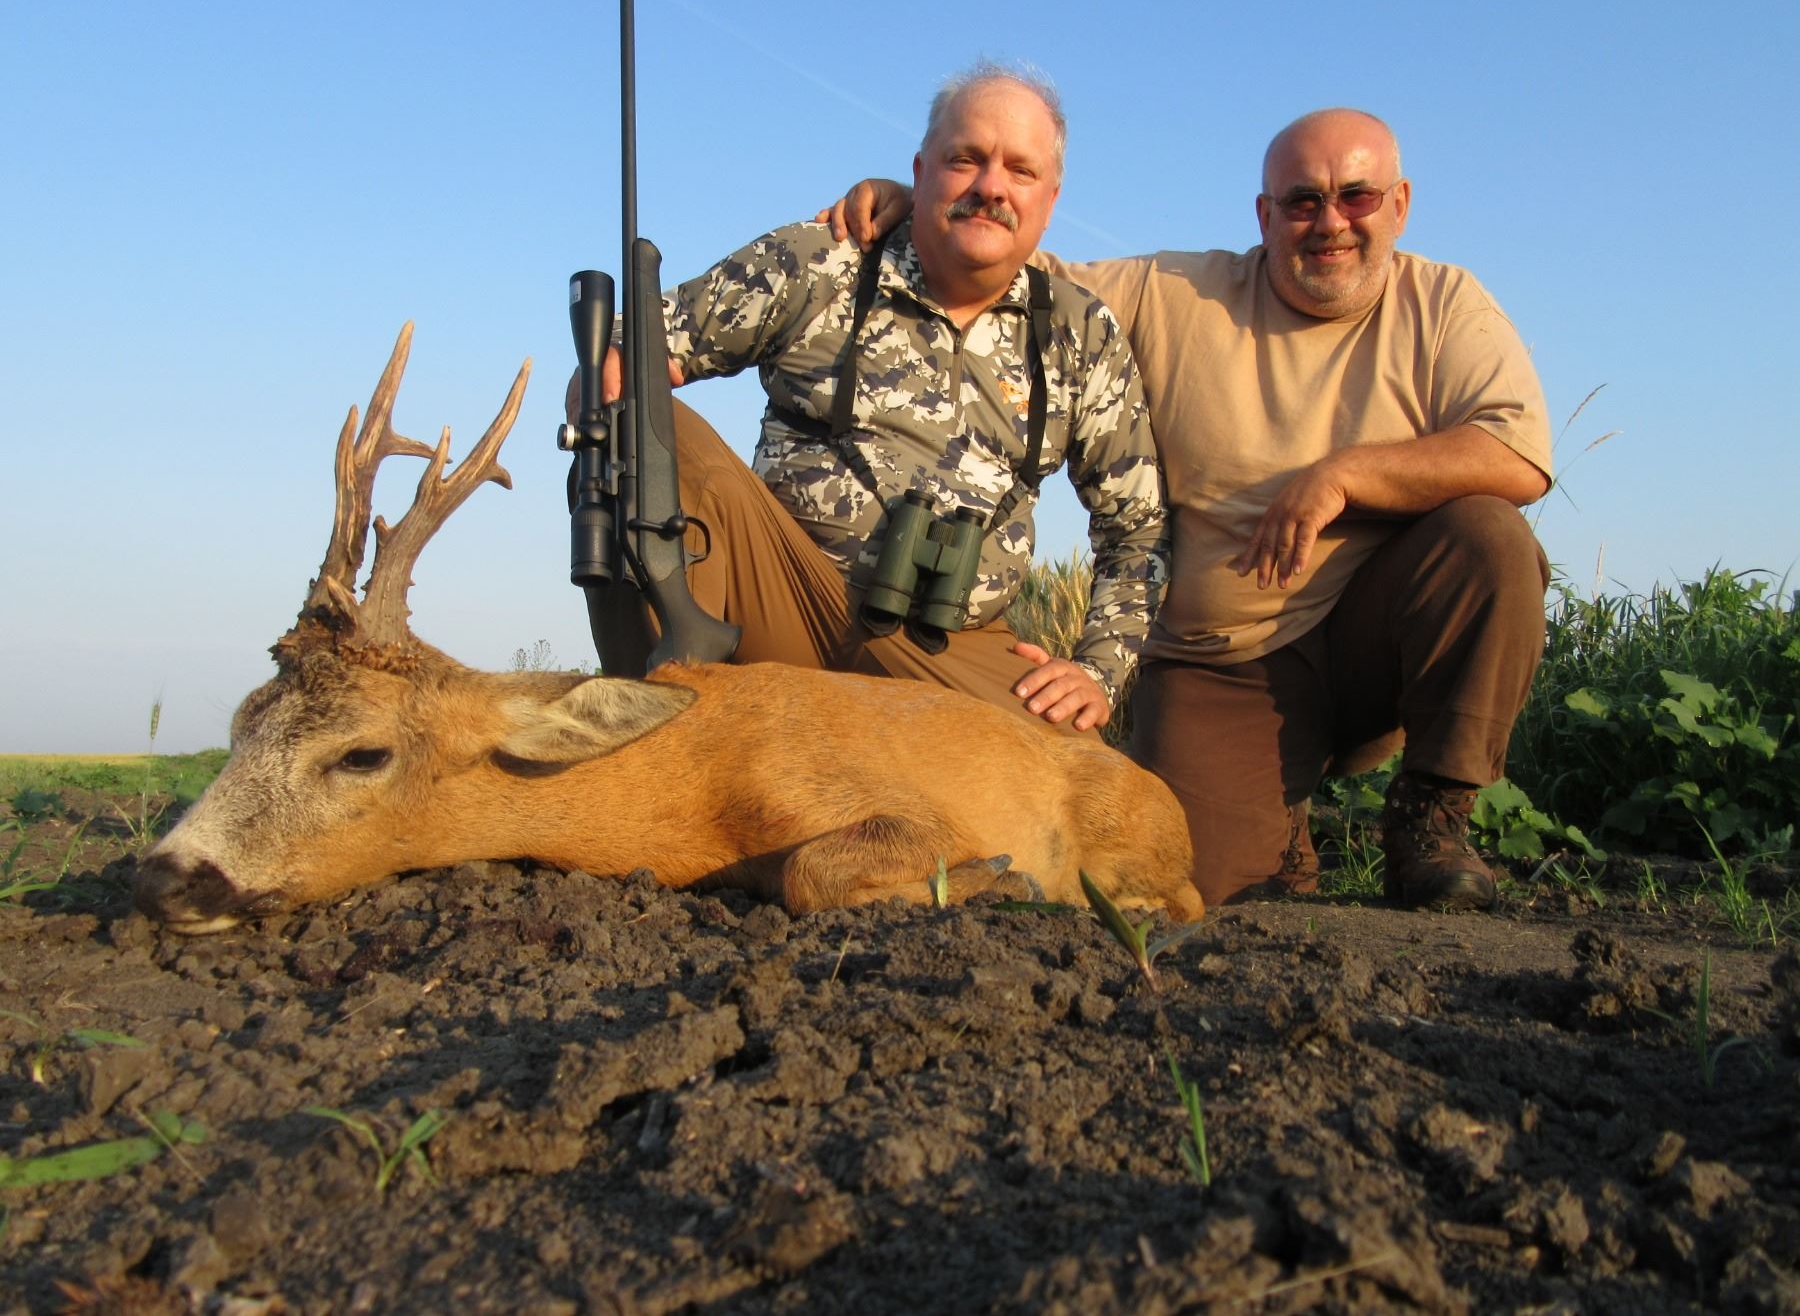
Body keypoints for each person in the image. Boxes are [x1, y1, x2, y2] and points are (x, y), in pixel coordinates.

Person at [824, 108, 1553, 909]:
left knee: (1489, 539)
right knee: (1187, 880)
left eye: (1357, 197)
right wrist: (935, 203)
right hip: (1221, 661)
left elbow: (1517, 453)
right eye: (1303, 202)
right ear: (1264, 215)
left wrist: (1346, 475)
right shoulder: (1175, 293)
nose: (1330, 223)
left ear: (1400, 204)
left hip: (1372, 640)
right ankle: (1282, 830)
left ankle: (1431, 816)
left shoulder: (1445, 302)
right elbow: (1016, 265)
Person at [575, 63, 1167, 735]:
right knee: (642, 426)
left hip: (947, 643)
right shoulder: (826, 259)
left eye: (1020, 170)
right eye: (965, 159)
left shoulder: (1079, 333)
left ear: (1050, 200)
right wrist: (605, 376)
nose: (991, 186)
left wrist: (1098, 669)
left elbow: (1137, 529)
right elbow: (631, 347)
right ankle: (662, 721)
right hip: (783, 595)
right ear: (920, 172)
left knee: (1070, 767)